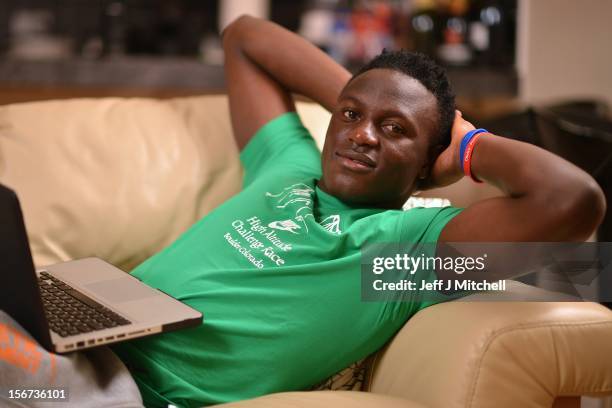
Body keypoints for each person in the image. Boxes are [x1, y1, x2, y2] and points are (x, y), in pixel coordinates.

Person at [0, 15, 606, 408]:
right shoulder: (288, 167)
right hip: (75, 336)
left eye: (393, 130)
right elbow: (244, 37)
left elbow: (573, 201)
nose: (362, 135)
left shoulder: (404, 253)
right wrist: (373, 93)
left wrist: (466, 142)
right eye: (349, 116)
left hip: (125, 390)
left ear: (428, 165)